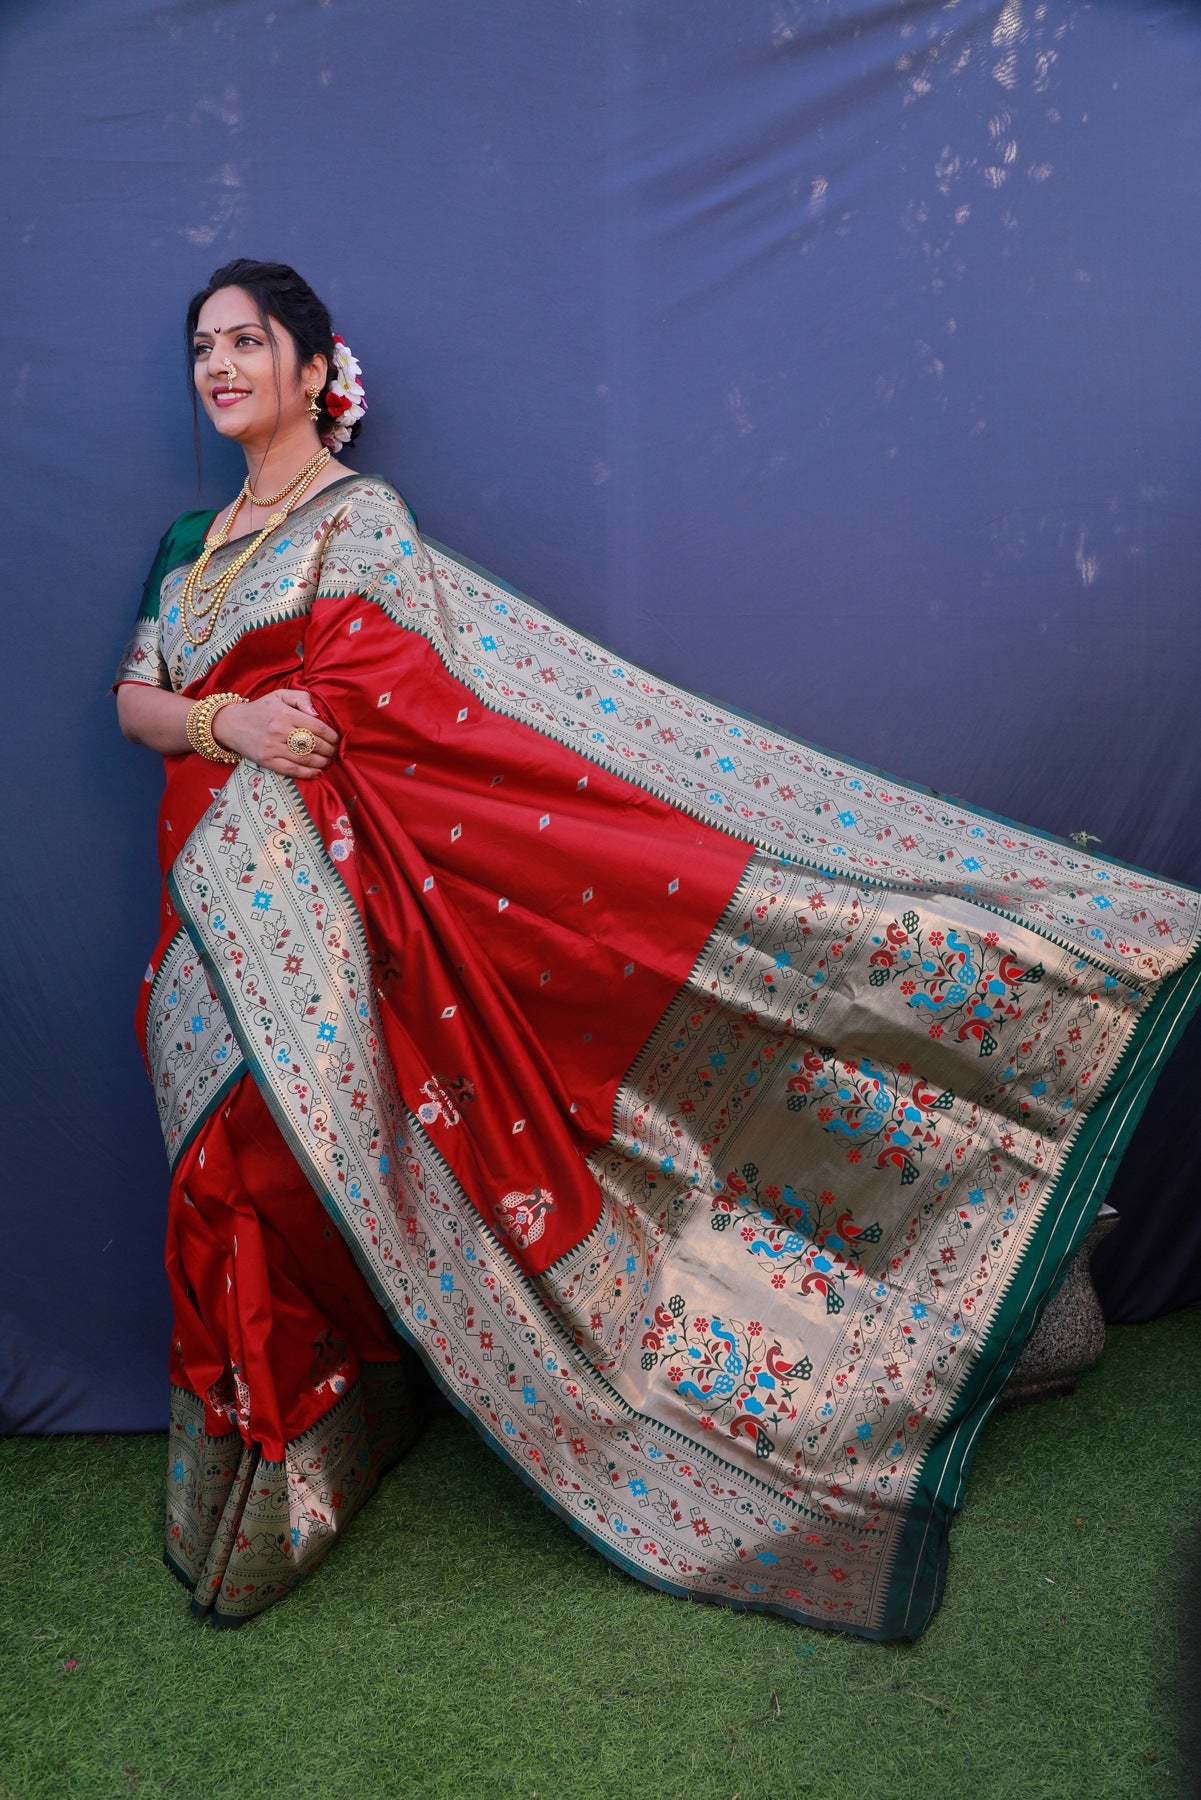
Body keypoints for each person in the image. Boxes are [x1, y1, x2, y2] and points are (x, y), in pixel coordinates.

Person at [115, 258, 1201, 1638]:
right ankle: (298, 1446)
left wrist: (276, 722)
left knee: (288, 1147)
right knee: (218, 1158)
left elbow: (411, 711)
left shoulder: (358, 522)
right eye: (201, 346)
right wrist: (230, 726)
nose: (218, 365)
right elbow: (135, 699)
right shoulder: (186, 545)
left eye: (246, 341)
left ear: (317, 368)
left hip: (329, 903)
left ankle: (296, 1457)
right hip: (206, 896)